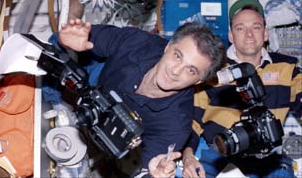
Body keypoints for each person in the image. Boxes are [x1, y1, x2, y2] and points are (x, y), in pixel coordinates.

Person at [57, 19, 226, 177]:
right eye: (177, 56)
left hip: (115, 141)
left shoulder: (176, 125)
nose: (175, 71)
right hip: (94, 85)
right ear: (168, 46)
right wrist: (67, 42)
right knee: (57, 47)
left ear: (199, 81)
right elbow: (85, 37)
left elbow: (150, 167)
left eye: (191, 70)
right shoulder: (136, 42)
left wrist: (152, 173)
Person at [182, 0, 302, 178]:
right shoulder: (213, 69)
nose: (249, 34)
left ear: (266, 33)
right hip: (219, 155)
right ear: (231, 36)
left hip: (270, 159)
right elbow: (192, 121)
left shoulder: (288, 68)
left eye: (256, 27)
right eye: (240, 28)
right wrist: (188, 157)